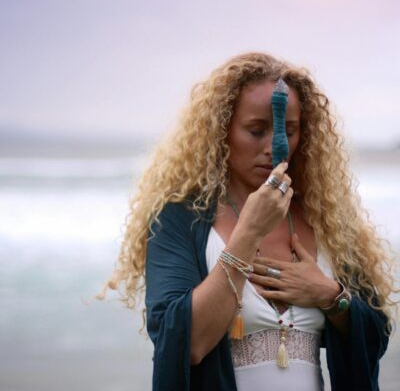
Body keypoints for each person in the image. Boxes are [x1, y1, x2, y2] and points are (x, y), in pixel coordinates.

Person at [101, 52, 397, 390]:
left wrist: (329, 295)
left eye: (289, 130)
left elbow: (375, 334)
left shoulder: (326, 219)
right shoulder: (180, 218)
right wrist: (248, 233)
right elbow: (186, 343)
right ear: (221, 131)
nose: (274, 146)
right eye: (256, 130)